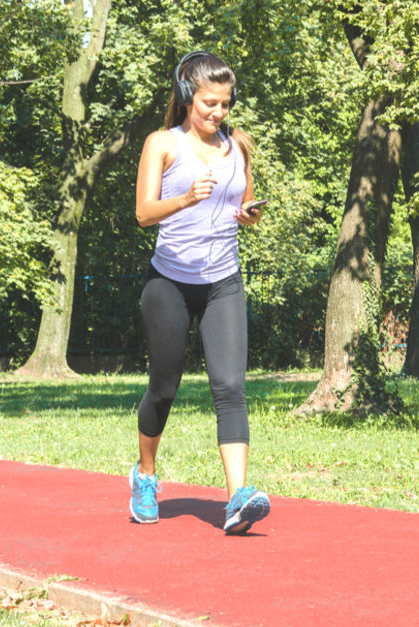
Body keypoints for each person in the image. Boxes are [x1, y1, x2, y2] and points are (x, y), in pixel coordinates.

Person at [130, 51, 270, 534]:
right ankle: (145, 475)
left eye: (225, 103)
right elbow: (143, 213)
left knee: (230, 387)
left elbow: (244, 205)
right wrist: (186, 197)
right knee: (163, 389)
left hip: (222, 282)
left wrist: (250, 215)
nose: (218, 112)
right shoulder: (162, 144)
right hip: (169, 282)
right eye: (210, 103)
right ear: (188, 95)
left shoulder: (238, 147)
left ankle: (237, 498)